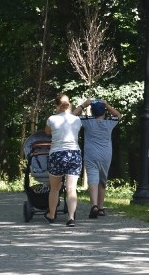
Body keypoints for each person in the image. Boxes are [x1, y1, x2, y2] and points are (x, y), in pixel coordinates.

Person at [43, 93, 83, 227]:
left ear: (57, 106)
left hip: (57, 155)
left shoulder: (51, 119)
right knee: (72, 188)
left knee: (54, 189)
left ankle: (51, 215)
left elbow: (47, 132)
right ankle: (71, 218)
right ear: (69, 105)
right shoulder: (77, 120)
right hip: (74, 154)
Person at [78, 98, 121, 218]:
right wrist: (106, 104)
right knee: (102, 181)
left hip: (91, 154)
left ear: (92, 112)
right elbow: (118, 115)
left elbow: (72, 116)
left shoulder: (87, 122)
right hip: (105, 155)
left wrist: (83, 105)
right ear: (104, 112)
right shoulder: (110, 123)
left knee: (92, 179)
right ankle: (101, 208)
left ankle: (94, 206)